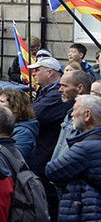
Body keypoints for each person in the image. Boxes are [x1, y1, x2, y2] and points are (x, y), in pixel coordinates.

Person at [46, 94, 101, 222]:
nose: (71, 115)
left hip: (86, 213)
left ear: (87, 115)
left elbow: (52, 170)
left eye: (75, 110)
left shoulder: (85, 148)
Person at [29, 57, 72, 177]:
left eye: (37, 70)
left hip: (47, 153)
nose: (33, 73)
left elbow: (34, 113)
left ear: (50, 72)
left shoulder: (57, 95)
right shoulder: (46, 91)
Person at [51, 69, 92, 162]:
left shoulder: (87, 117)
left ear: (80, 88)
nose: (60, 90)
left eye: (64, 86)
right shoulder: (70, 113)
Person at [0, 87, 39, 167]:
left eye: (2, 102)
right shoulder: (11, 125)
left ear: (15, 105)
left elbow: (14, 160)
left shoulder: (23, 132)